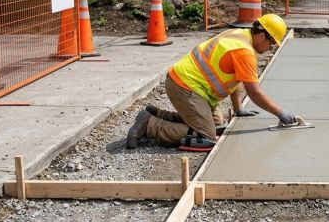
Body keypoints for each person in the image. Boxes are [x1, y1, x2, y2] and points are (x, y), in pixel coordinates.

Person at [126, 14, 299, 149]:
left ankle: (158, 114)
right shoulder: (245, 52)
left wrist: (238, 109)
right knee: (207, 138)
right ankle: (149, 125)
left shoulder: (240, 34)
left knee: (217, 126)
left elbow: (236, 78)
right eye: (272, 43)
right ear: (262, 36)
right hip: (186, 88)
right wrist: (279, 112)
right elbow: (254, 92)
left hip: (191, 87)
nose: (270, 48)